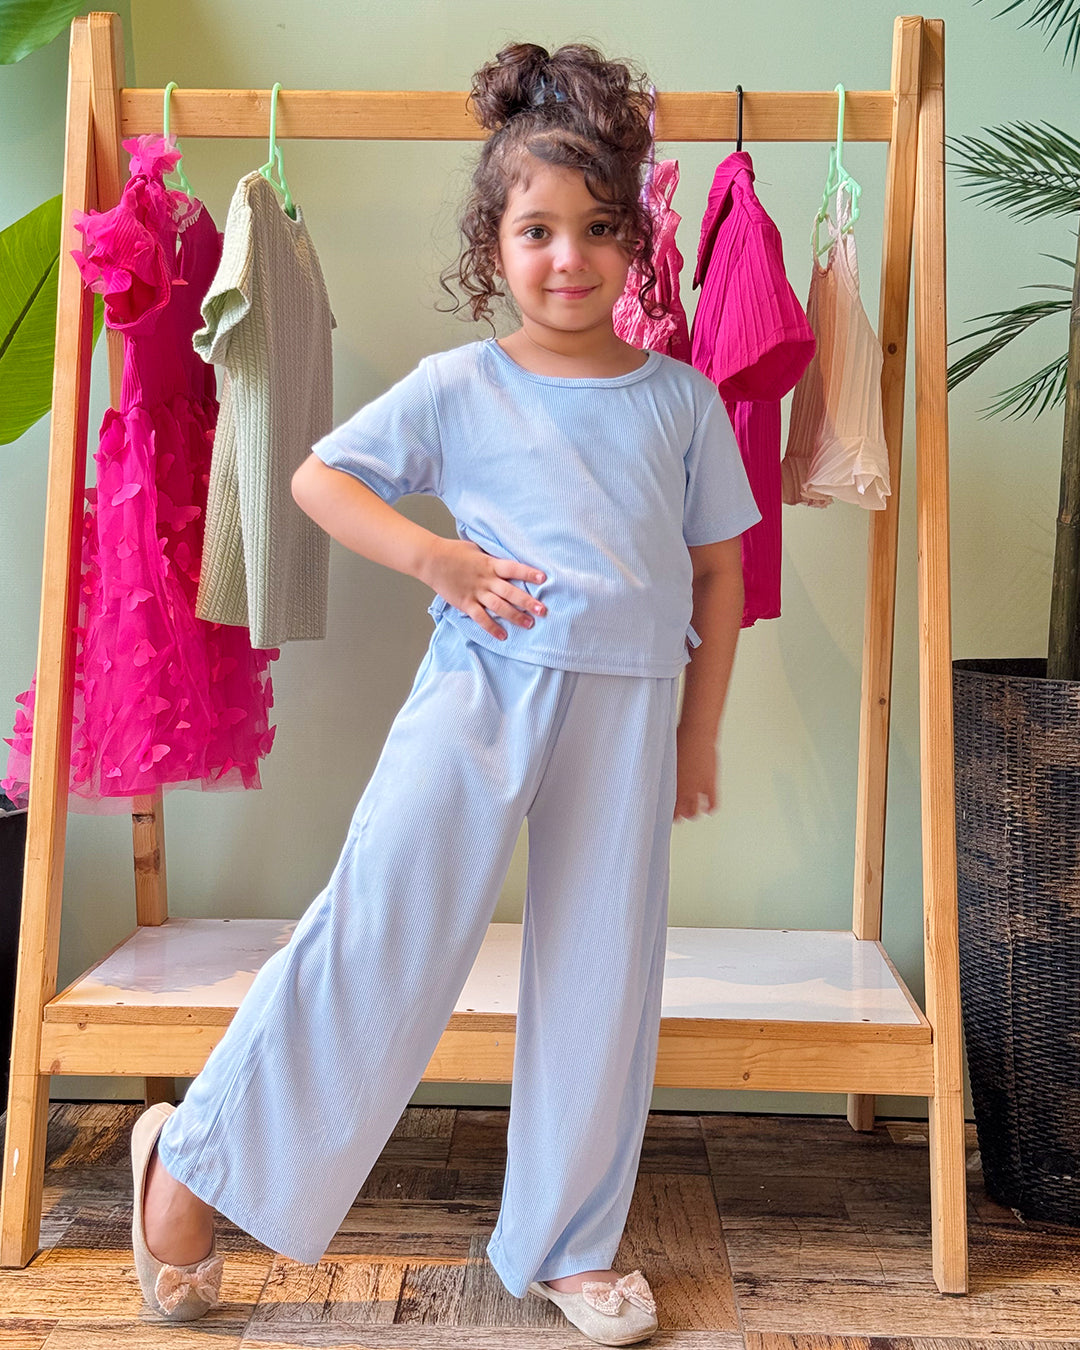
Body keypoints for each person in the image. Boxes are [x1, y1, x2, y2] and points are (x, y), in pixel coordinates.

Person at [129, 40, 760, 1347]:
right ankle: (188, 1161)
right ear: (494, 239)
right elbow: (317, 479)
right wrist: (437, 556)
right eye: (537, 229)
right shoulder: (460, 387)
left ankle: (566, 1240)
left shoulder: (683, 401)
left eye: (595, 228)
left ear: (634, 236)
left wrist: (700, 730)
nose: (568, 257)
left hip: (632, 711)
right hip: (482, 693)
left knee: (602, 971)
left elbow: (718, 570)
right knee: (381, 934)